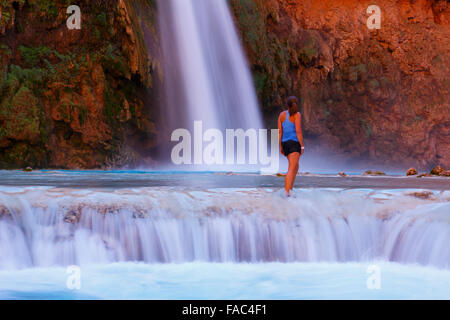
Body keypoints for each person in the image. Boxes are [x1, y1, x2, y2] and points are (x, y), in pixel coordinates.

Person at [278, 96, 304, 197]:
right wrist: (302, 146)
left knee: (295, 166)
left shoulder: (281, 115)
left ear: (287, 105)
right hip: (294, 143)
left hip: (285, 144)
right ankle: (287, 193)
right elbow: (298, 131)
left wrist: (280, 145)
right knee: (292, 168)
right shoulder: (297, 115)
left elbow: (280, 132)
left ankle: (290, 190)